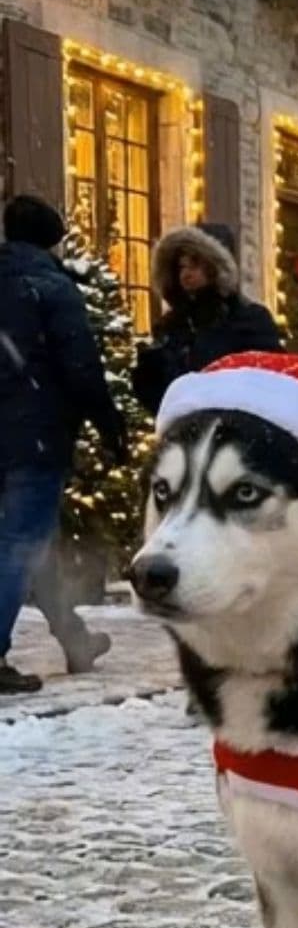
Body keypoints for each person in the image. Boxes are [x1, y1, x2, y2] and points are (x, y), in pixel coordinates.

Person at [0, 195, 127, 694]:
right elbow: (81, 369)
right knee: (20, 542)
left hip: (14, 432)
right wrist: (110, 425)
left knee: (34, 541)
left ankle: (74, 638)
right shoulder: (50, 287)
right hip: (34, 436)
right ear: (53, 239)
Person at [133, 223, 282, 413]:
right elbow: (160, 396)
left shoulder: (248, 318)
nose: (185, 274)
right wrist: (148, 373)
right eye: (181, 267)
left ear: (215, 266)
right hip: (183, 431)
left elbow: (271, 380)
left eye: (194, 265)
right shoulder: (172, 324)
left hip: (234, 429)